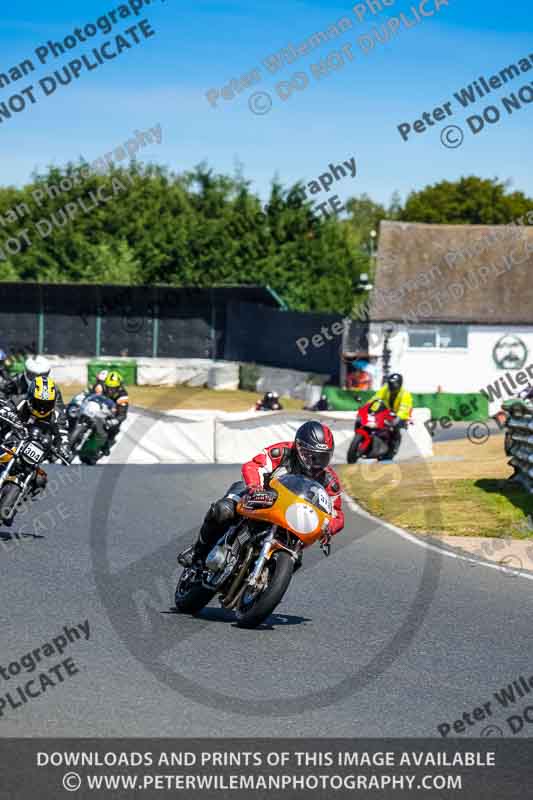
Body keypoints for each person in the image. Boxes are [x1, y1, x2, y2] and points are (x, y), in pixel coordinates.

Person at [179, 420, 344, 568]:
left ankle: (261, 585)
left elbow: (336, 513)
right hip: (258, 495)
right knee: (223, 510)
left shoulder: (329, 480)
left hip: (291, 517)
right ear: (299, 446)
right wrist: (255, 486)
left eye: (322, 457)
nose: (316, 462)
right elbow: (254, 465)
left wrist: (329, 527)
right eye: (310, 455)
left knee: (295, 560)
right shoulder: (282, 452)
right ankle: (198, 551)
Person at [0, 377, 72, 495]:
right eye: (39, 403)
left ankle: (18, 496)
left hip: (37, 447)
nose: (42, 408)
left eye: (47, 404)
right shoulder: (20, 401)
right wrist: (7, 414)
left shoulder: (57, 414)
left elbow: (63, 433)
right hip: (10, 439)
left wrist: (64, 447)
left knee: (40, 481)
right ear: (30, 397)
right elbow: (6, 407)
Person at [369, 373, 413, 454]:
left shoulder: (405, 394)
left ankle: (395, 444)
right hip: (389, 411)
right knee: (378, 405)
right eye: (390, 384)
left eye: (394, 385)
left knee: (396, 425)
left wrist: (397, 419)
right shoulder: (386, 388)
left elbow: (403, 410)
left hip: (402, 414)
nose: (392, 386)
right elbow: (375, 398)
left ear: (399, 384)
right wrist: (368, 407)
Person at [91, 371, 129, 454]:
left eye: (114, 387)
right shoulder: (100, 387)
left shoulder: (123, 395)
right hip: (98, 409)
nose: (111, 390)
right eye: (109, 387)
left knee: (115, 426)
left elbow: (123, 413)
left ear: (119, 386)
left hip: (112, 413)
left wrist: (115, 420)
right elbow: (89, 395)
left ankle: (107, 444)